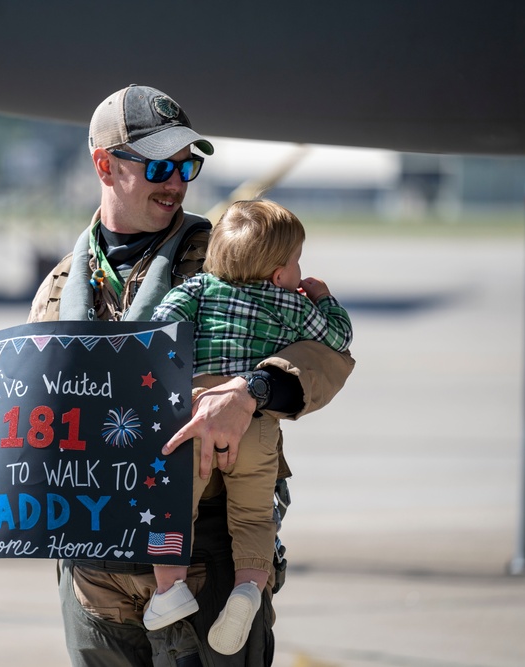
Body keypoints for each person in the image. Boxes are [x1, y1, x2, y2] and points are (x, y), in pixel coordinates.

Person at [0, 84, 355, 667]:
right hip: (92, 567)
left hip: (201, 547)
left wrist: (254, 391)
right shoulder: (60, 283)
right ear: (104, 165)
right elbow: (36, 398)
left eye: (186, 165)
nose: (176, 181)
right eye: (158, 165)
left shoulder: (224, 257)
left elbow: (322, 355)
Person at [145, 199, 353, 654]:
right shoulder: (290, 304)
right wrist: (323, 298)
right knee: (255, 517)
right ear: (279, 274)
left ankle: (168, 590)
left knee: (172, 508)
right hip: (254, 425)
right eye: (297, 262)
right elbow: (338, 338)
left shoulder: (198, 289)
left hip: (195, 418)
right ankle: (247, 588)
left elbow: (158, 331)